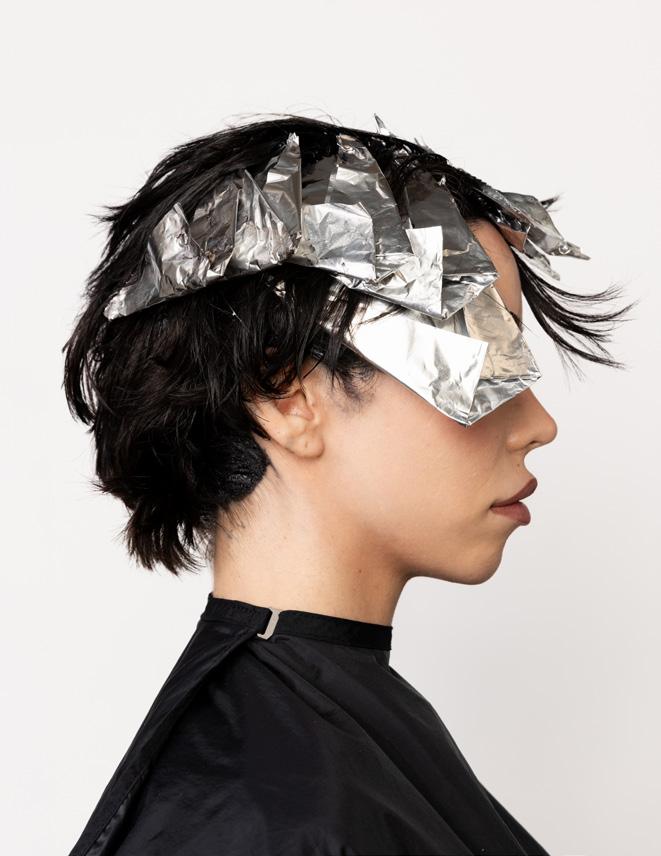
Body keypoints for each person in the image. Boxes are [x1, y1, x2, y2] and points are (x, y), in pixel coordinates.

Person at [62, 114, 634, 855]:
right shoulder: (263, 815)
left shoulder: (325, 732)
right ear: (285, 396)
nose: (537, 424)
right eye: (480, 364)